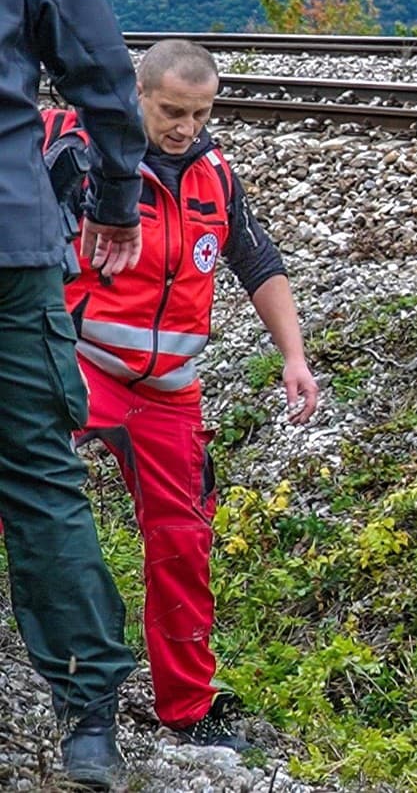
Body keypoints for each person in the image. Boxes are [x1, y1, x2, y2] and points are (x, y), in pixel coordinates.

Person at [53, 39, 319, 757]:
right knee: (34, 507)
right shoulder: (80, 151)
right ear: (136, 94)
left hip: (169, 392)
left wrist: (293, 356)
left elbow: (257, 260)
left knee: (183, 541)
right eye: (172, 111)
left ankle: (187, 707)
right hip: (83, 367)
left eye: (200, 113)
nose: (185, 127)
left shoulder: (213, 174)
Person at [0, 0, 151, 788]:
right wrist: (116, 195)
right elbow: (101, 70)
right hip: (13, 246)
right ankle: (88, 720)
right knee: (41, 478)